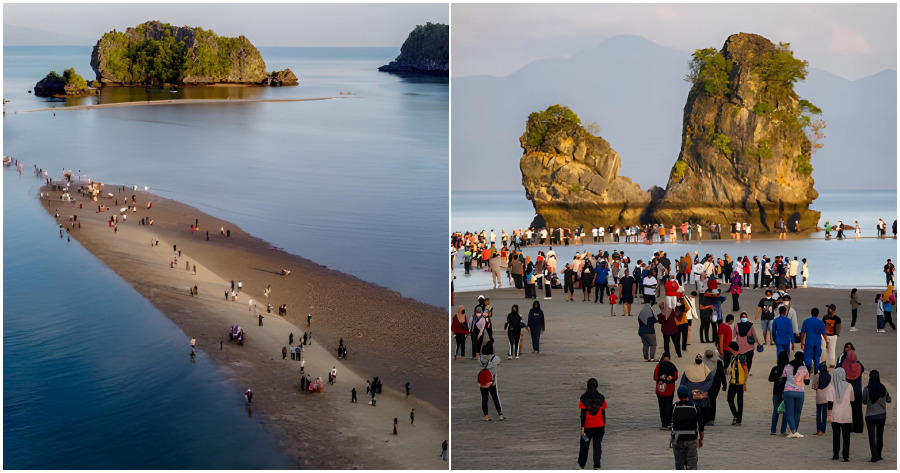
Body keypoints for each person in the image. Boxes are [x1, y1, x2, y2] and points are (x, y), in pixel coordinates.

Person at [671, 385, 704, 470]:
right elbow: (701, 428)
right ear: (688, 394)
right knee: (692, 464)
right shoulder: (695, 408)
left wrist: (672, 438)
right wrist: (700, 440)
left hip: (678, 439)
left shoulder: (674, 407)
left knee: (679, 464)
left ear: (678, 395)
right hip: (692, 439)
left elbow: (672, 424)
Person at [577, 378, 607, 470]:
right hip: (599, 426)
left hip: (587, 426)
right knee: (597, 445)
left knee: (584, 444)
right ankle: (597, 465)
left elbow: (583, 414)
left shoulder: (583, 398)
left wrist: (582, 428)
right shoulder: (601, 398)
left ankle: (581, 464)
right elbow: (603, 413)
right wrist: (603, 426)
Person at [862, 370, 890, 462]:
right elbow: (889, 400)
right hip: (881, 415)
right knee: (879, 436)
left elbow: (864, 401)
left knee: (871, 437)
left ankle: (874, 457)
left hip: (870, 416)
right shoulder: (883, 388)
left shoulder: (866, 389)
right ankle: (879, 455)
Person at [782, 351, 810, 437]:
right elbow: (807, 381)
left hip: (788, 391)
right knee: (797, 413)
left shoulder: (787, 366)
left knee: (789, 412)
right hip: (800, 392)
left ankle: (793, 430)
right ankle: (795, 431)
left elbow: (783, 378)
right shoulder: (804, 368)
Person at [829, 367, 853, 462]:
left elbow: (829, 401)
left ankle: (836, 454)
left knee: (836, 436)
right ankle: (845, 455)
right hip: (847, 414)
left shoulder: (831, 386)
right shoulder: (849, 386)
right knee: (846, 436)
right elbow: (852, 399)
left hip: (835, 415)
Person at [680, 353, 714, 422]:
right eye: (697, 357)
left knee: (702, 409)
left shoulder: (706, 369)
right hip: (690, 393)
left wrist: (702, 389)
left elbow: (710, 380)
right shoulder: (689, 368)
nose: (698, 358)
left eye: (700, 357)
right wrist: (684, 390)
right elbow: (683, 381)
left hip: (701, 393)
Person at [477, 342, 503, 421]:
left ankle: (486, 416)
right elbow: (499, 361)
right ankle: (500, 414)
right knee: (495, 398)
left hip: (482, 381)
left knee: (484, 399)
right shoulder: (495, 358)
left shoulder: (480, 359)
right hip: (492, 381)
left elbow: (479, 363)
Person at [725, 341, 748, 425]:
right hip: (733, 381)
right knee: (729, 398)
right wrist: (729, 372)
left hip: (740, 383)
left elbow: (746, 370)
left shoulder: (741, 358)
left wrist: (745, 383)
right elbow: (734, 368)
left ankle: (739, 419)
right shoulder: (732, 357)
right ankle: (736, 415)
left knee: (739, 401)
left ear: (731, 348)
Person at [653, 353, 678, 429]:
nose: (666, 359)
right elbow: (655, 377)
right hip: (665, 390)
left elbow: (675, 376)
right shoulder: (664, 366)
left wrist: (667, 378)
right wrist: (665, 378)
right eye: (665, 358)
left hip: (665, 390)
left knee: (665, 406)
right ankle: (666, 422)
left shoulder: (663, 366)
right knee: (665, 406)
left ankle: (666, 422)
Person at [768, 351, 790, 435]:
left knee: (775, 411)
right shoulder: (788, 369)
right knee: (785, 411)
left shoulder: (775, 368)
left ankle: (773, 430)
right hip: (785, 391)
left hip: (776, 391)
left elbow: (770, 379)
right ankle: (783, 430)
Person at [800, 308, 826, 372]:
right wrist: (827, 341)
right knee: (817, 358)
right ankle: (816, 372)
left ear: (811, 313)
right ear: (818, 314)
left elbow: (803, 333)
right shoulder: (820, 322)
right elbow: (824, 333)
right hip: (817, 342)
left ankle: (808, 370)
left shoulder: (806, 321)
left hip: (809, 342)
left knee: (808, 357)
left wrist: (802, 342)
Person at [811, 362, 833, 435]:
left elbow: (813, 386)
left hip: (819, 396)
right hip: (826, 397)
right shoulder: (829, 376)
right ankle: (823, 429)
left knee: (818, 414)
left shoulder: (817, 375)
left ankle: (819, 429)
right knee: (824, 414)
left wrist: (817, 388)